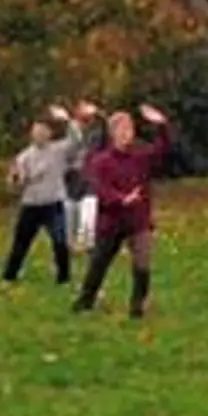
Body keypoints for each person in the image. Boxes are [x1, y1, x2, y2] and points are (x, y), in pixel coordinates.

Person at [72, 105, 171, 318]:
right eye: (122, 129)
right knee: (100, 261)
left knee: (142, 262)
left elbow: (162, 150)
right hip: (112, 221)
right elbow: (101, 188)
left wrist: (161, 125)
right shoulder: (102, 161)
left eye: (130, 128)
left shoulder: (141, 155)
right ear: (113, 133)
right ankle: (85, 301)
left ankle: (138, 306)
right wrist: (122, 199)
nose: (127, 133)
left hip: (138, 220)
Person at [4, 106, 81, 285]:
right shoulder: (24, 157)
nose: (39, 134)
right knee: (20, 242)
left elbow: (77, 139)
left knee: (60, 241)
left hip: (53, 204)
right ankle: (10, 275)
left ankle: (64, 277)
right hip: (31, 205)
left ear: (50, 134)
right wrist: (17, 180)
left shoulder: (59, 150)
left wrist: (67, 119)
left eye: (43, 131)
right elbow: (14, 185)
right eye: (36, 130)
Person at [62, 100, 105, 259]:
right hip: (71, 177)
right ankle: (68, 246)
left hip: (90, 177)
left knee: (89, 210)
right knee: (70, 212)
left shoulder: (96, 132)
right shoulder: (69, 130)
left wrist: (98, 114)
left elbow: (106, 129)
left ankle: (89, 245)